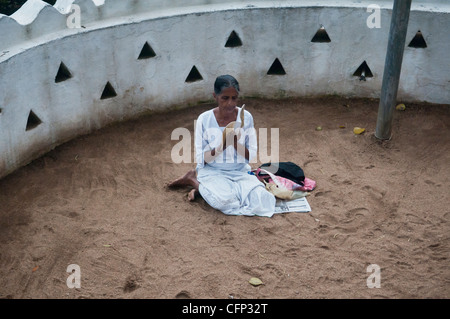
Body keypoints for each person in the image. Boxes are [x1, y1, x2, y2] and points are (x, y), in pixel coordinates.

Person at [168, 75, 276, 217]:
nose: (230, 103)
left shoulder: (246, 117)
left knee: (264, 200)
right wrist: (222, 146)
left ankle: (204, 190)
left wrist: (236, 143)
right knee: (224, 202)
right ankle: (193, 180)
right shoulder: (204, 119)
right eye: (225, 98)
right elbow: (202, 159)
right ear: (215, 96)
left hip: (240, 171)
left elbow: (251, 156)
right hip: (213, 171)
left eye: (234, 98)